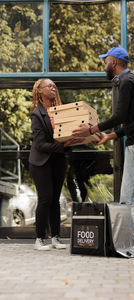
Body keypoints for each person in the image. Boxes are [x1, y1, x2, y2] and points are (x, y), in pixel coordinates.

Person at [72, 46, 134, 256]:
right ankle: (126, 240)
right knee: (127, 197)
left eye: (105, 61)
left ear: (114, 63)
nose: (104, 65)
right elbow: (131, 121)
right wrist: (109, 136)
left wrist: (91, 129)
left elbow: (119, 116)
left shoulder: (128, 82)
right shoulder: (125, 83)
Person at [29, 78, 82, 251]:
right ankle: (39, 238)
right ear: (40, 91)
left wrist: (73, 140)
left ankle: (55, 238)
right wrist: (62, 146)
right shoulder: (37, 114)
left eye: (54, 86)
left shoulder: (61, 112)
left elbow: (65, 135)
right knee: (45, 198)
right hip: (41, 162)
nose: (53, 88)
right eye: (49, 86)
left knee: (55, 200)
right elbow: (39, 145)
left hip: (58, 161)